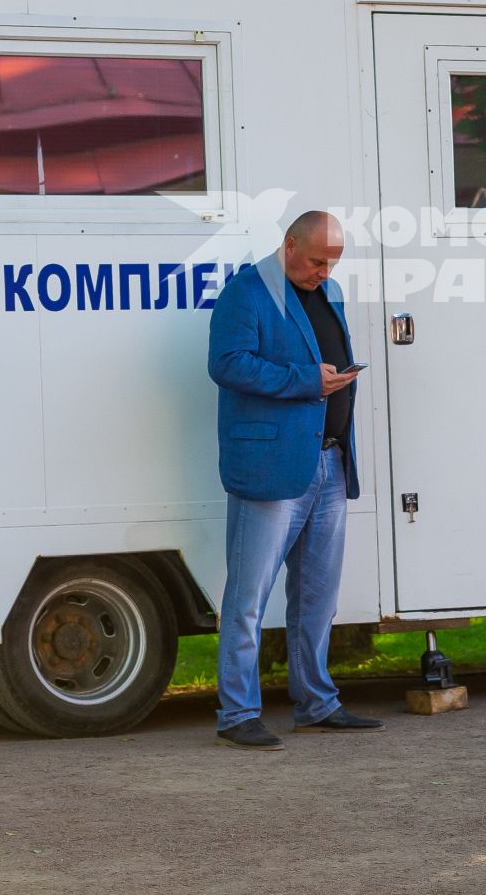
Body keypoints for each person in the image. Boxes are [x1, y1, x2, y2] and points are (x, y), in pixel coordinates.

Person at [206, 211, 384, 749]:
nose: (325, 271)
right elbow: (228, 364)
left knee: (317, 596)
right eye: (316, 260)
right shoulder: (246, 292)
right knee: (248, 597)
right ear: (288, 245)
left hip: (328, 461)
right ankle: (237, 715)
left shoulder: (328, 293)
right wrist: (309, 382)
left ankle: (317, 704)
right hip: (271, 467)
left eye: (333, 262)